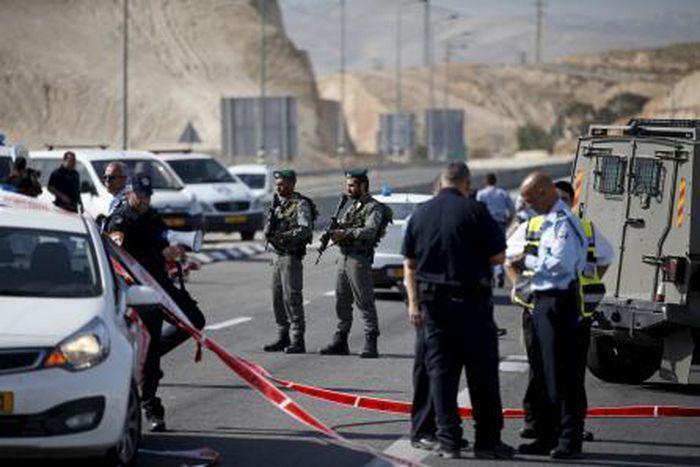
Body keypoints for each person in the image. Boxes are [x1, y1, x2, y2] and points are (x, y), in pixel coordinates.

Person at [402, 162, 515, 460]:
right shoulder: (475, 211)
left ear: (442, 182)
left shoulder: (421, 213)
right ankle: (487, 442)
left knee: (440, 377)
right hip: (472, 308)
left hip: (435, 310)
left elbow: (410, 263)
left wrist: (414, 302)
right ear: (466, 183)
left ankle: (449, 440)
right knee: (483, 377)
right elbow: (497, 256)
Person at [105, 173, 206, 432]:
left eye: (148, 195)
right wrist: (159, 253)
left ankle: (148, 354)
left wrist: (176, 246)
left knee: (194, 320)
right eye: (141, 195)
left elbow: (162, 235)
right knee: (149, 355)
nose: (145, 200)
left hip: (162, 285)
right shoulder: (120, 221)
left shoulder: (151, 216)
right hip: (139, 292)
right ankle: (152, 408)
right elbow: (120, 257)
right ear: (129, 193)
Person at [508, 172, 588, 459]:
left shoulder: (564, 224)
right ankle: (545, 435)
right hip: (544, 301)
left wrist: (526, 260)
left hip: (559, 301)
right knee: (543, 372)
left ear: (545, 192)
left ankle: (569, 439)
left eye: (530, 200)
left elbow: (560, 265)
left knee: (563, 374)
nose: (529, 207)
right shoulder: (550, 222)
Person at [319, 169, 391, 359]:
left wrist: (346, 233)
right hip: (344, 257)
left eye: (352, 185)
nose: (348, 189)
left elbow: (370, 230)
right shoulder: (353, 207)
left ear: (363, 186)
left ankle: (371, 341)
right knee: (342, 300)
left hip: (359, 259)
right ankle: (340, 340)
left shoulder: (374, 208)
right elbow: (343, 224)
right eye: (347, 185)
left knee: (364, 301)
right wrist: (333, 231)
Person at [263, 169, 316, 354]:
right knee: (277, 299)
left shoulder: (300, 205)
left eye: (282, 184)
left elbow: (305, 229)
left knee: (292, 298)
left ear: (292, 183)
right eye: (277, 184)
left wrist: (283, 236)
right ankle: (283, 335)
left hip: (291, 257)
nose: (278, 188)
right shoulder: (278, 205)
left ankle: (297, 339)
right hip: (278, 256)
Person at [476, 173, 515, 288]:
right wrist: (508, 221)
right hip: (500, 223)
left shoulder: (481, 194)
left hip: (486, 223)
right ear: (495, 181)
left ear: (486, 182)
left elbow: (478, 209)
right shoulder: (502, 193)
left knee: (486, 250)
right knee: (498, 249)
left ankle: (490, 274)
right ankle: (499, 272)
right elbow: (512, 209)